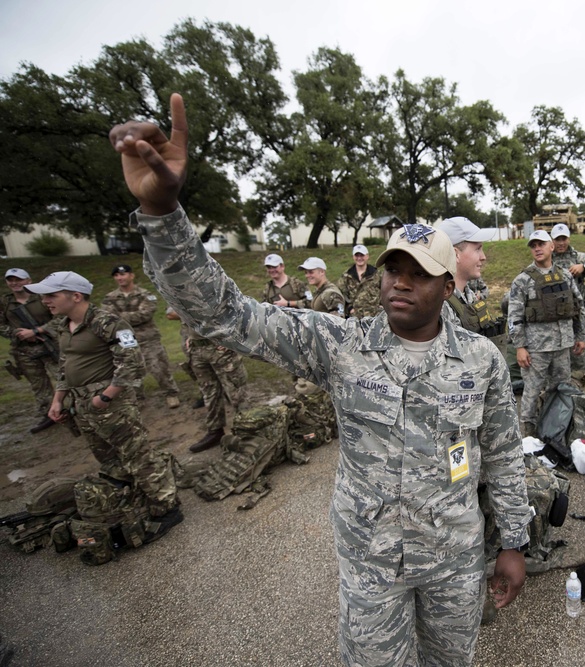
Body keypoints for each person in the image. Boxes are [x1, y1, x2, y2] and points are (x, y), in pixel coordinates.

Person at [110, 93, 532, 666]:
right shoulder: (340, 344)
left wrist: (514, 541)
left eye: (419, 274)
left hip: (453, 560)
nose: (400, 284)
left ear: (448, 288)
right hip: (371, 565)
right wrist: (163, 217)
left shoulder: (480, 359)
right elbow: (226, 316)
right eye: (392, 270)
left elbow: (504, 454)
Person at [26, 271, 181, 554]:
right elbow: (65, 364)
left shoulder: (108, 323)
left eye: (51, 295)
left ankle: (167, 506)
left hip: (110, 405)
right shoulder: (63, 325)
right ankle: (133, 497)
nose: (45, 301)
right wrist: (58, 399)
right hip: (80, 404)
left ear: (75, 296)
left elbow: (132, 361)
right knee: (107, 457)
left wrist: (106, 397)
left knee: (138, 455)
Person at [507, 230, 585, 437]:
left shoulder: (565, 275)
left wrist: (581, 336)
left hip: (562, 346)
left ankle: (555, 431)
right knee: (531, 393)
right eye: (533, 245)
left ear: (551, 246)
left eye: (541, 244)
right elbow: (514, 317)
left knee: (560, 389)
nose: (537, 248)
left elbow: (578, 307)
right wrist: (520, 347)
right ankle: (529, 435)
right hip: (536, 349)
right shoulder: (522, 280)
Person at [167, 307, 249, 453]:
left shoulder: (210, 285)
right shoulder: (178, 289)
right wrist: (189, 335)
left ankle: (248, 431)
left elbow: (232, 308)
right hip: (197, 349)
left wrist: (230, 335)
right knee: (209, 392)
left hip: (221, 348)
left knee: (236, 391)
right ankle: (215, 431)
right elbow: (170, 314)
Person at [101, 264, 181, 408]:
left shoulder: (146, 295)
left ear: (131, 275)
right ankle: (137, 398)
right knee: (129, 370)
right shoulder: (109, 298)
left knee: (159, 367)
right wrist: (126, 317)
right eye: (117, 275)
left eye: (123, 274)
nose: (120, 278)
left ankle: (171, 393)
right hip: (124, 340)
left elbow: (145, 314)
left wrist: (119, 316)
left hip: (148, 338)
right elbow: (106, 317)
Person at [436, 216, 507, 352]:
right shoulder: (440, 305)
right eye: (477, 249)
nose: (483, 256)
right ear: (456, 254)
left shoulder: (468, 296)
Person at [2, 268, 60, 433]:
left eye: (18, 279)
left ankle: (74, 408)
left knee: (63, 377)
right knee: (38, 384)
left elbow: (59, 318)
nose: (14, 283)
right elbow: (1, 325)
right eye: (10, 280)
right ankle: (49, 413)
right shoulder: (5, 302)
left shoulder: (42, 297)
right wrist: (18, 334)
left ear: (28, 280)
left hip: (51, 346)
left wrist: (37, 331)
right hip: (24, 350)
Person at [551, 222, 585, 377]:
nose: (561, 243)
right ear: (552, 240)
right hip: (552, 321)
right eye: (557, 239)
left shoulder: (579, 257)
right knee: (556, 370)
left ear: (569, 239)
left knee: (580, 367)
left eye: (564, 239)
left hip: (575, 319)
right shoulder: (547, 259)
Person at [338, 244, 382, 318]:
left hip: (374, 316)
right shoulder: (346, 276)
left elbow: (385, 290)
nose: (359, 258)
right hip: (355, 317)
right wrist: (349, 308)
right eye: (357, 256)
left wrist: (382, 305)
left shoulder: (377, 274)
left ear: (367, 256)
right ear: (353, 257)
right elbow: (341, 293)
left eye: (362, 255)